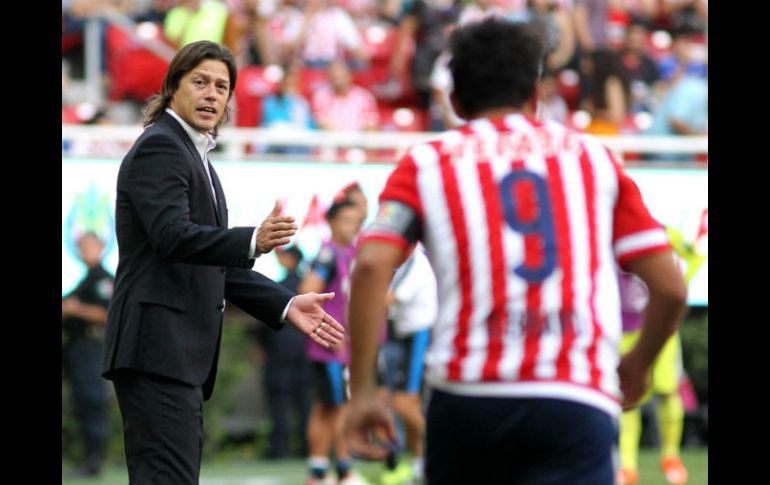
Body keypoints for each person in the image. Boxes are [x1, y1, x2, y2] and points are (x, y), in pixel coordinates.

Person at [343, 19, 688, 485]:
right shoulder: (591, 158)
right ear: (535, 94)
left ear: (458, 100)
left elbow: (369, 265)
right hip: (573, 395)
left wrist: (364, 392)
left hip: (468, 396)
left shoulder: (427, 163)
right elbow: (669, 286)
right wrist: (638, 365)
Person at [101, 40, 345, 485]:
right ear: (173, 87)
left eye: (222, 86)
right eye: (200, 82)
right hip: (158, 348)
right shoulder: (161, 147)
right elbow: (172, 236)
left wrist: (286, 305)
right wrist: (252, 238)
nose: (213, 94)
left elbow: (213, 264)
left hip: (173, 353)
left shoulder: (196, 157)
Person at [300, 199, 368, 485]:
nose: (352, 227)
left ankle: (319, 470)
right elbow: (307, 292)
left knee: (327, 407)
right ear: (332, 223)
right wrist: (329, 329)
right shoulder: (328, 255)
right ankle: (343, 470)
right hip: (330, 347)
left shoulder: (351, 252)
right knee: (337, 408)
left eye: (356, 222)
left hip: (341, 346)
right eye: (346, 221)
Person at [378, 243, 437, 485]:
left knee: (404, 404)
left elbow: (389, 300)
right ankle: (420, 464)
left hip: (419, 336)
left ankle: (443, 452)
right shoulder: (404, 263)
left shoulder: (417, 263)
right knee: (408, 404)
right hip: (406, 337)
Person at [62, 232, 114, 478]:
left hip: (91, 348)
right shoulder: (84, 280)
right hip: (75, 349)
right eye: (80, 247)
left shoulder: (103, 280)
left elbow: (107, 315)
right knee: (82, 403)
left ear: (100, 247)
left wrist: (76, 309)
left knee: (92, 401)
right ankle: (88, 459)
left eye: (88, 246)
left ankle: (94, 461)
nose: (84, 251)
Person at [256, 244, 314, 459]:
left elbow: (264, 320)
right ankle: (307, 447)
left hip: (279, 349)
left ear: (291, 259)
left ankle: (279, 449)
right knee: (304, 400)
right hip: (305, 350)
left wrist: (262, 346)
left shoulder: (277, 287)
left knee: (278, 400)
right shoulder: (308, 287)